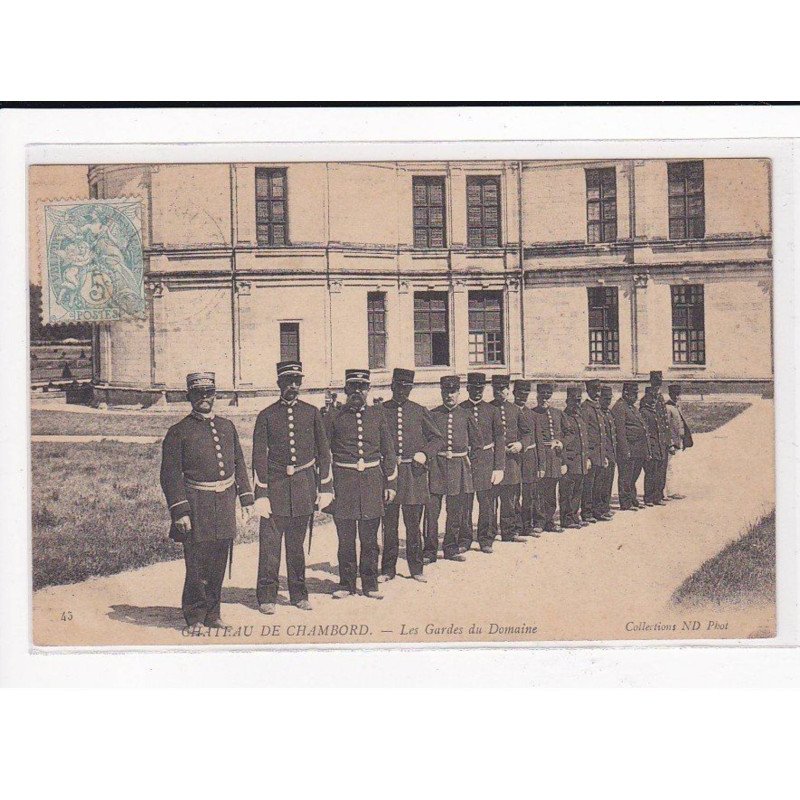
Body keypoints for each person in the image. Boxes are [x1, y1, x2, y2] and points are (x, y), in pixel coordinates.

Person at [159, 372, 253, 628]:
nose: (204, 398)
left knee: (219, 562)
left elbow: (238, 464)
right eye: (198, 394)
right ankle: (195, 616)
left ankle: (213, 614)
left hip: (223, 504)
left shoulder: (226, 426)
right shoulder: (178, 432)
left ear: (215, 396)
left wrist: (246, 499)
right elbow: (170, 476)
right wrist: (180, 511)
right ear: (190, 397)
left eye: (208, 393)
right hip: (197, 504)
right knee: (197, 565)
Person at [251, 360, 333, 615]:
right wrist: (261, 493)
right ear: (279, 384)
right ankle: (267, 596)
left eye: (297, 382)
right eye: (288, 382)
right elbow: (258, 456)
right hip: (275, 488)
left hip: (302, 488)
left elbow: (324, 453)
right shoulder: (266, 415)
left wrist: (325, 487)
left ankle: (299, 594)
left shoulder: (312, 413)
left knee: (297, 546)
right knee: (270, 546)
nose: (293, 386)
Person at [324, 369, 397, 600]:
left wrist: (391, 483)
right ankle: (346, 583)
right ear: (346, 390)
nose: (357, 392)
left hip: (372, 484)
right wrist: (326, 487)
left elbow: (389, 451)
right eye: (353, 387)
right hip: (343, 486)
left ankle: (370, 583)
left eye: (362, 387)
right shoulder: (334, 417)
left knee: (369, 538)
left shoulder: (378, 416)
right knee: (345, 538)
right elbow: (324, 452)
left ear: (368, 390)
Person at [380, 368, 444, 583]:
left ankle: (416, 568)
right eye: (398, 387)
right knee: (389, 524)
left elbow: (437, 439)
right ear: (392, 386)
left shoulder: (419, 411)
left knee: (413, 525)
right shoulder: (380, 411)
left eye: (406, 388)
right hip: (389, 475)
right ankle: (387, 569)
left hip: (413, 475)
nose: (402, 392)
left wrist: (424, 454)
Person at [425, 375, 481, 563]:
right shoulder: (432, 415)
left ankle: (450, 548)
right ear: (441, 393)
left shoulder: (466, 415)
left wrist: (466, 462)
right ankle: (429, 551)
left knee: (455, 511)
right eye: (445, 392)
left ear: (458, 393)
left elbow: (477, 444)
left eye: (452, 392)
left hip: (459, 467)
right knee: (432, 512)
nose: (449, 395)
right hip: (437, 468)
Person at [459, 372, 505, 554]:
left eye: (480, 389)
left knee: (486, 503)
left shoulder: (492, 410)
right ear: (467, 389)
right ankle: (464, 539)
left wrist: (499, 467)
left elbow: (499, 439)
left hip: (486, 461)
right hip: (466, 461)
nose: (477, 392)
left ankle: (486, 539)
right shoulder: (461, 409)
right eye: (473, 389)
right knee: (465, 503)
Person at [490, 374, 531, 543]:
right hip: (492, 461)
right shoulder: (487, 409)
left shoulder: (515, 410)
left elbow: (527, 433)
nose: (499, 392)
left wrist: (520, 445)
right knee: (491, 502)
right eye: (496, 389)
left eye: (502, 389)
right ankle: (489, 534)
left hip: (512, 461)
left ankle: (509, 532)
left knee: (509, 499)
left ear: (508, 390)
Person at [531, 382, 566, 533]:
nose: (544, 398)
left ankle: (550, 521)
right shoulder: (532, 413)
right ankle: (539, 521)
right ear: (537, 396)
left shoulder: (558, 413)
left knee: (551, 490)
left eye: (547, 395)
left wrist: (561, 442)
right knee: (539, 490)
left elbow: (569, 432)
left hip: (554, 457)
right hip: (539, 456)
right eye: (542, 395)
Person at [612, 381, 652, 510]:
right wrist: (625, 450)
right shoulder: (619, 407)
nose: (635, 397)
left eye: (636, 394)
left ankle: (632, 499)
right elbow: (620, 431)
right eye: (633, 394)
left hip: (638, 449)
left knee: (633, 476)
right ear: (625, 393)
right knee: (626, 477)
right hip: (628, 449)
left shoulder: (632, 407)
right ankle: (625, 503)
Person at [580, 379, 612, 524]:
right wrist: (587, 456)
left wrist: (604, 454)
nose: (598, 393)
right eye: (595, 390)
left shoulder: (597, 407)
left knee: (598, 484)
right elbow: (584, 433)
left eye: (599, 390)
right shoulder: (585, 408)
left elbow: (602, 434)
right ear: (588, 391)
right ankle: (586, 513)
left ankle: (597, 511)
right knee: (589, 485)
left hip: (600, 453)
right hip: (591, 454)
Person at [559, 385, 591, 529]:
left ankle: (575, 517)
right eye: (574, 401)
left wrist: (587, 458)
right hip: (570, 461)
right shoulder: (563, 417)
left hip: (581, 461)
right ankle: (566, 519)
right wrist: (563, 462)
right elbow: (562, 442)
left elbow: (585, 440)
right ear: (567, 401)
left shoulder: (580, 417)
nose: (577, 404)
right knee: (567, 491)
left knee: (578, 490)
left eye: (579, 401)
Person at [513, 379, 539, 537]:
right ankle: (516, 526)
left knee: (529, 493)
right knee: (515, 492)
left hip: (529, 456)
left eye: (525, 394)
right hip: (514, 457)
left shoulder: (532, 414)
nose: (522, 397)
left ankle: (527, 526)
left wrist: (540, 463)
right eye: (519, 394)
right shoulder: (508, 411)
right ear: (514, 393)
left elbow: (537, 440)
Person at [592, 384, 617, 520]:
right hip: (603, 454)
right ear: (599, 398)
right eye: (605, 399)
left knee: (608, 482)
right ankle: (598, 510)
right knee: (599, 484)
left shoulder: (608, 412)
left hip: (611, 453)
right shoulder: (599, 413)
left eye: (609, 399)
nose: (608, 401)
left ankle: (605, 507)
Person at [639, 386, 668, 506]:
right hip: (652, 446)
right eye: (652, 397)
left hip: (660, 445)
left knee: (660, 472)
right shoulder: (644, 412)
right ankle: (649, 498)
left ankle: (658, 496)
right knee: (651, 472)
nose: (655, 399)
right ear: (647, 397)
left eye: (656, 397)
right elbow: (644, 432)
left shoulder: (656, 412)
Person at [665, 383, 692, 499]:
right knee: (670, 468)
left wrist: (684, 440)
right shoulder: (668, 407)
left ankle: (674, 490)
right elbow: (666, 427)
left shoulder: (677, 406)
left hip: (679, 441)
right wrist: (670, 444)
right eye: (674, 394)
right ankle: (670, 492)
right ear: (670, 394)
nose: (676, 396)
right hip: (673, 443)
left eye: (678, 394)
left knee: (676, 467)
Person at [649, 370, 671, 502]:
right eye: (656, 381)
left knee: (662, 469)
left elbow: (664, 421)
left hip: (663, 440)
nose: (658, 383)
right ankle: (654, 496)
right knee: (654, 470)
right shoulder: (650, 397)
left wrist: (668, 440)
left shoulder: (661, 397)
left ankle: (660, 494)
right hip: (655, 440)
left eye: (660, 381)